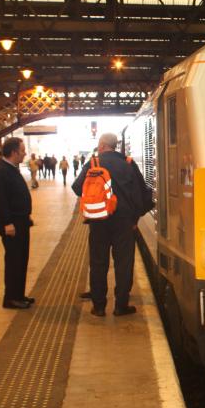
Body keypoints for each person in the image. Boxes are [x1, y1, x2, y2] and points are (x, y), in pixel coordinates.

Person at [72, 133, 150, 317]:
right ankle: (120, 306)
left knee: (98, 262)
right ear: (115, 146)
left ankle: (98, 307)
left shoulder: (93, 163)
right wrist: (135, 219)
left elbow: (77, 188)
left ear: (101, 146)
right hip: (124, 223)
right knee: (123, 263)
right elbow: (142, 194)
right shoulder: (128, 163)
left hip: (99, 221)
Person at [0, 137, 35, 310]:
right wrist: (7, 223)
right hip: (12, 224)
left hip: (20, 221)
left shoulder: (11, 169)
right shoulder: (0, 171)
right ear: (14, 152)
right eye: (22, 150)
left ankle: (19, 294)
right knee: (14, 259)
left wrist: (26, 216)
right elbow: (0, 201)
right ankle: (11, 298)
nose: (25, 153)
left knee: (22, 258)